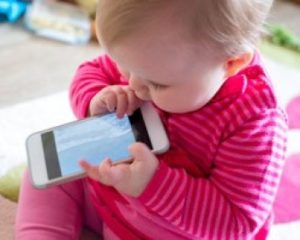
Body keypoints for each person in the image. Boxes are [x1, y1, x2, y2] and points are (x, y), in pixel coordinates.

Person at [16, 0, 288, 239]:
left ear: (231, 64)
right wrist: (96, 99)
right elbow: (91, 71)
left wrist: (152, 183)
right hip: (110, 196)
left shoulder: (255, 125)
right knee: (53, 168)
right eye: (124, 66)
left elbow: (236, 223)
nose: (133, 84)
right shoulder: (151, 58)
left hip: (173, 230)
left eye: (157, 85)